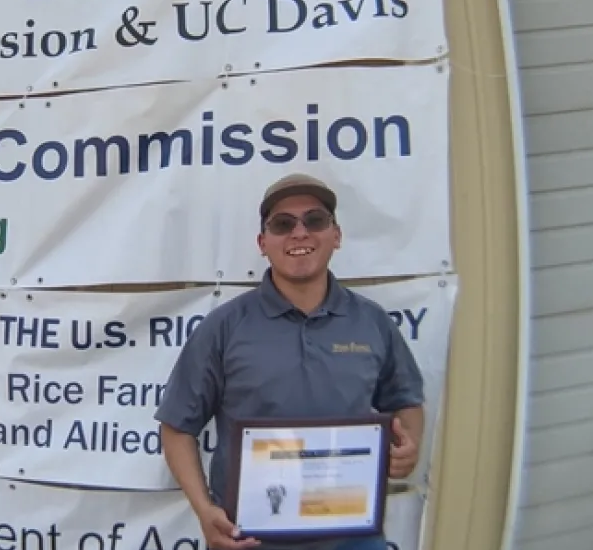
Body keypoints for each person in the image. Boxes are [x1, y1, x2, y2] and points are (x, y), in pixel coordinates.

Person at [154, 173, 425, 550]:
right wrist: (204, 510)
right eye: (282, 224)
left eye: (315, 220)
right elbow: (176, 427)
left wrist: (408, 447)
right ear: (263, 243)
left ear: (336, 235)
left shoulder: (373, 322)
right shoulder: (225, 327)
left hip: (351, 536)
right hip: (250, 538)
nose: (299, 233)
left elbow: (405, 401)